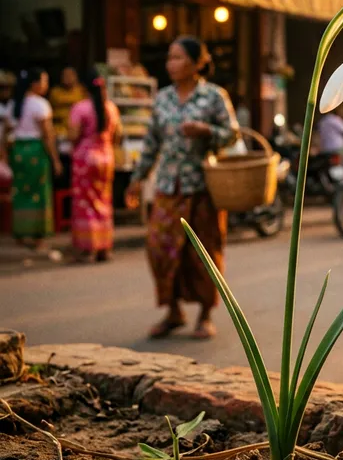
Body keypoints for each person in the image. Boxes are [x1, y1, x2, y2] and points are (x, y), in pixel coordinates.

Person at [126, 37, 238, 340]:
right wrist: (138, 177)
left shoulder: (214, 96)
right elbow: (151, 143)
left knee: (204, 252)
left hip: (203, 187)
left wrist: (207, 131)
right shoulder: (162, 98)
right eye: (169, 57)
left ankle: (205, 314)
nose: (170, 63)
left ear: (196, 62)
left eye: (177, 57)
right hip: (167, 186)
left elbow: (232, 135)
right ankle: (173, 310)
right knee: (158, 247)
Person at [68, 71, 121, 262]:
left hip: (85, 158)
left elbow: (73, 136)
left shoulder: (80, 108)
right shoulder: (112, 109)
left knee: (85, 204)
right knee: (104, 202)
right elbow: (117, 136)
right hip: (107, 158)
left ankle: (87, 248)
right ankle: (104, 247)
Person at [9, 68, 62, 247]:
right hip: (35, 151)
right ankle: (37, 235)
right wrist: (55, 159)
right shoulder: (40, 104)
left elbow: (7, 133)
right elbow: (47, 135)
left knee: (21, 192)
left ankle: (20, 233)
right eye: (44, 81)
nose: (46, 86)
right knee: (39, 193)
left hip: (18, 152)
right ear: (35, 84)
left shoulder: (14, 104)